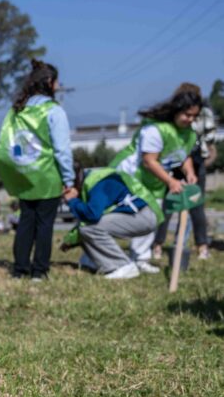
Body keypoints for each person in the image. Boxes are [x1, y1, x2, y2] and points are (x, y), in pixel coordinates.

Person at [0, 59, 76, 281]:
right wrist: (69, 179)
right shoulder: (53, 111)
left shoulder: (18, 110)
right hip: (47, 177)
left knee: (25, 222)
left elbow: (8, 142)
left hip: (24, 175)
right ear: (49, 82)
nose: (58, 85)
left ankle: (20, 269)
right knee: (44, 225)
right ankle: (39, 271)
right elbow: (62, 150)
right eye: (57, 81)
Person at [111, 87, 202, 272]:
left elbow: (184, 156)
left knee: (151, 220)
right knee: (116, 217)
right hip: (130, 177)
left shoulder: (189, 133)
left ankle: (140, 258)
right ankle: (96, 256)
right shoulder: (156, 129)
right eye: (187, 114)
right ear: (177, 110)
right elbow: (148, 161)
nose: (191, 119)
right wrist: (171, 181)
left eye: (194, 116)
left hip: (155, 182)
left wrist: (189, 172)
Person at [152, 83, 216, 262]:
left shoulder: (201, 115)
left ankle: (199, 245)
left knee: (190, 204)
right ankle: (159, 244)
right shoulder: (174, 121)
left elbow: (208, 137)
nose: (190, 119)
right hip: (176, 159)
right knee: (171, 204)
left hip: (192, 160)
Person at [65, 165, 162, 279]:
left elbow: (92, 215)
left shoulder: (98, 183)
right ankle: (93, 262)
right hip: (141, 215)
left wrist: (72, 201)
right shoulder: (92, 181)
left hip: (143, 216)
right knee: (87, 228)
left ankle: (123, 266)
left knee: (90, 228)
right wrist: (70, 240)